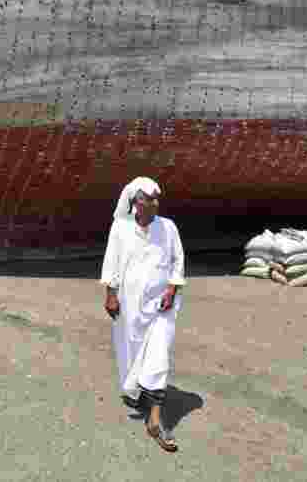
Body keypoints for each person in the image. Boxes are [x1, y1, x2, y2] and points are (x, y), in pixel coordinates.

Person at [100, 177, 186, 453]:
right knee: (131, 353)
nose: (157, 204)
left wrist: (172, 290)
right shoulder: (121, 229)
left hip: (162, 307)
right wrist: (111, 294)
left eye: (158, 199)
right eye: (151, 199)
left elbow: (177, 260)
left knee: (158, 355)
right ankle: (136, 391)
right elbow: (111, 262)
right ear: (137, 203)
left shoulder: (168, 227)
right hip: (130, 305)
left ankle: (156, 421)